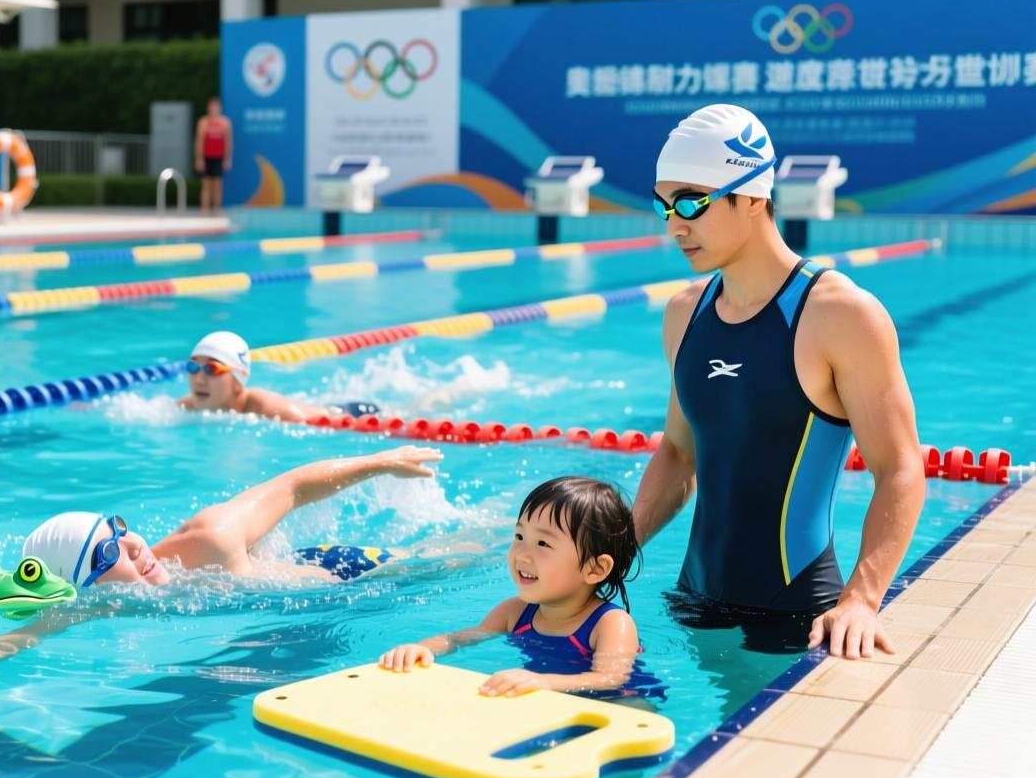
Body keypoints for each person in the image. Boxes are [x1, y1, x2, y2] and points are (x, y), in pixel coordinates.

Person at [630, 103, 924, 659]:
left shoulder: (839, 313)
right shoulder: (684, 313)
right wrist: (612, 556)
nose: (674, 223)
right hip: (692, 602)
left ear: (751, 197)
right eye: (664, 204)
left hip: (796, 616)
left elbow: (901, 467)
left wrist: (861, 601)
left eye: (691, 201)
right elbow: (677, 452)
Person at [0, 445, 442, 698]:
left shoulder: (208, 540)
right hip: (295, 616)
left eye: (118, 531)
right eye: (105, 557)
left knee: (454, 561)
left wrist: (382, 462)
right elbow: (33, 628)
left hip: (344, 572)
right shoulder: (106, 600)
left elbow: (292, 487)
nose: (132, 549)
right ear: (84, 586)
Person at [381, 477, 662, 701]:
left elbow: (610, 678)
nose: (522, 554)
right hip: (548, 696)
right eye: (519, 536)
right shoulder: (515, 612)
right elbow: (457, 639)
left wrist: (545, 681)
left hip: (617, 701)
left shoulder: (611, 623)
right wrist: (420, 649)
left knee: (636, 709)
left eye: (543, 544)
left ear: (594, 569)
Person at [178, 331, 343, 422]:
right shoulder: (186, 406)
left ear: (238, 380)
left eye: (212, 369)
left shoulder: (277, 412)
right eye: (192, 367)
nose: (199, 379)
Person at [194, 96, 232, 213]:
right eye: (212, 106)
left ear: (220, 108)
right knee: (206, 186)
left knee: (217, 186)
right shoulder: (203, 122)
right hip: (207, 157)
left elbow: (228, 141)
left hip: (219, 157)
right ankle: (204, 210)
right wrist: (199, 159)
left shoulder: (225, 123)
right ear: (208, 108)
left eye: (217, 106)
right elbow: (199, 141)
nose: (214, 108)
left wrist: (227, 159)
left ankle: (217, 210)